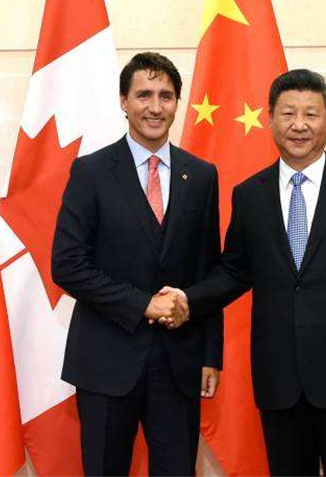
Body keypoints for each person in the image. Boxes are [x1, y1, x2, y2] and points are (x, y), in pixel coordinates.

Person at [159, 69, 326, 476]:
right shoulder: (250, 194)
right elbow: (234, 271)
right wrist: (188, 298)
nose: (299, 125)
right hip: (279, 376)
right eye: (288, 113)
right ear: (270, 119)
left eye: (311, 114)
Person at [51, 52, 223, 476]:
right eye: (144, 94)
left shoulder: (202, 175)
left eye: (166, 95)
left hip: (179, 363)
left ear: (177, 103)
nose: (155, 106)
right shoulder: (90, 172)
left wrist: (211, 355)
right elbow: (68, 264)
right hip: (105, 360)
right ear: (124, 102)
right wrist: (143, 303)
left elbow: (209, 271)